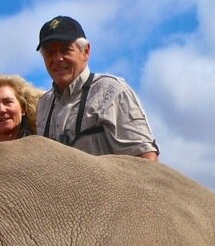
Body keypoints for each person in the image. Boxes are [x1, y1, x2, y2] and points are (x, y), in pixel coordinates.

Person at [34, 15, 158, 160]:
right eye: (50, 52)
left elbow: (146, 161)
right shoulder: (43, 105)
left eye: (65, 50)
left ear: (85, 51)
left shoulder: (112, 91)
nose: (57, 58)